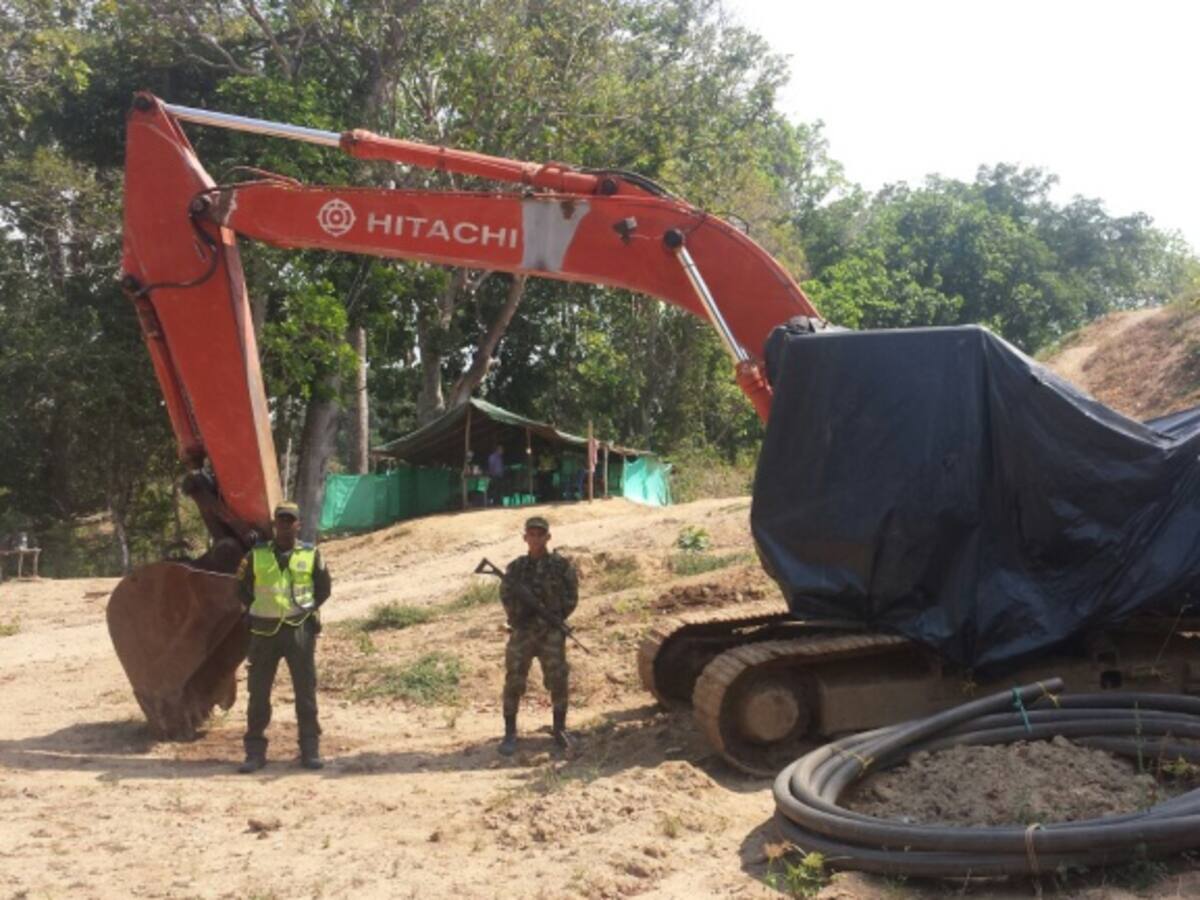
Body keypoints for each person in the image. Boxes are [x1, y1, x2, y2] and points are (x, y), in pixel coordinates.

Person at [235, 501, 332, 773]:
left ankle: (310, 750)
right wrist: (256, 610)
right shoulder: (255, 555)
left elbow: (323, 588)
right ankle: (254, 753)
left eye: (290, 520)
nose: (285, 525)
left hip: (299, 630)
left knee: (305, 693)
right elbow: (241, 587)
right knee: (258, 696)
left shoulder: (312, 554)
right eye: (281, 520)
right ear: (274, 524)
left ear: (298, 524)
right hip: (263, 632)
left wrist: (305, 611)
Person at [499, 516, 579, 756]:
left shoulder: (561, 566)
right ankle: (510, 733)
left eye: (540, 534)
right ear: (525, 538)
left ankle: (559, 729)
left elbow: (571, 597)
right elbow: (505, 596)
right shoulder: (516, 568)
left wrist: (553, 616)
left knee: (558, 679)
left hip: (551, 633)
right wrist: (520, 614)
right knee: (514, 680)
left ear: (548, 537)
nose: (535, 538)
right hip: (522, 632)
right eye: (531, 534)